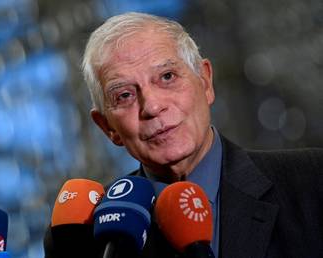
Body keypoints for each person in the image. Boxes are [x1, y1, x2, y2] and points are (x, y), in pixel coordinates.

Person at [44, 12, 323, 258]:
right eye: (125, 95)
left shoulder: (312, 181)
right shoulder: (84, 236)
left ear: (205, 82)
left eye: (167, 77)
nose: (152, 106)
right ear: (107, 128)